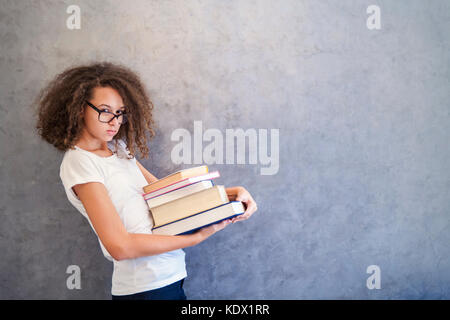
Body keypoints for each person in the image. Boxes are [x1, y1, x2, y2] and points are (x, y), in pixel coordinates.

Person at [33, 61, 257, 300]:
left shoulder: (119, 148)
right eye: (105, 110)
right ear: (79, 109)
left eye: (119, 113)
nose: (114, 121)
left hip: (172, 276)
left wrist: (232, 193)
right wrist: (195, 239)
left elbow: (166, 197)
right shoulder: (80, 163)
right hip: (145, 289)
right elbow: (120, 246)